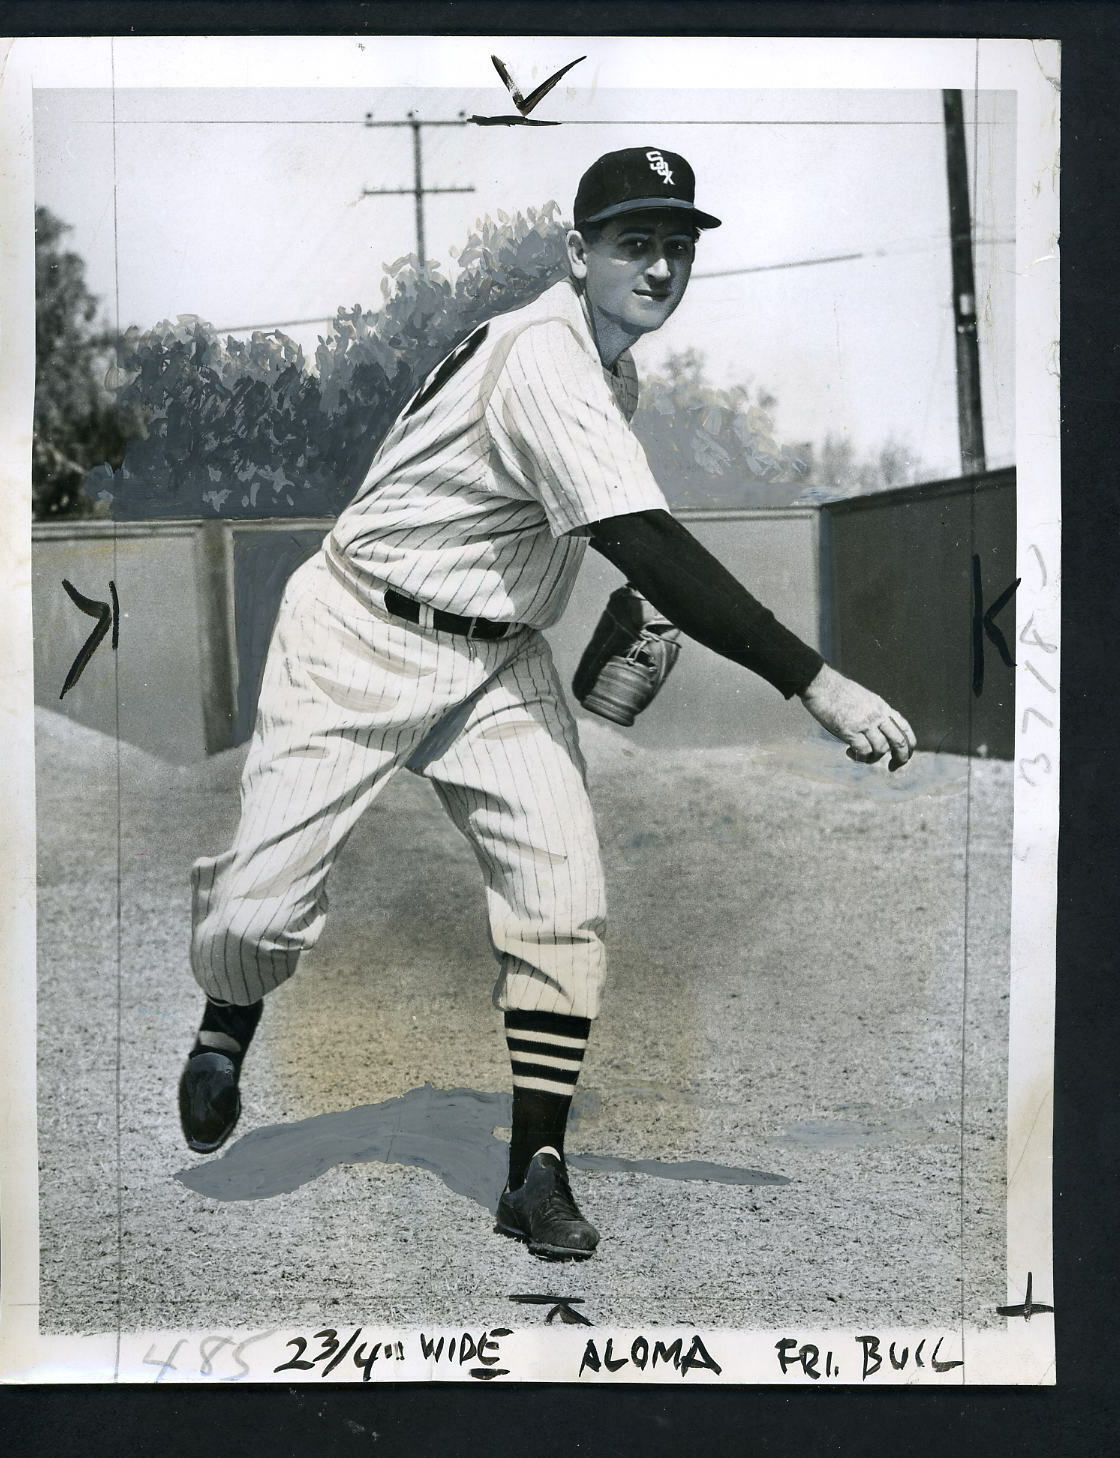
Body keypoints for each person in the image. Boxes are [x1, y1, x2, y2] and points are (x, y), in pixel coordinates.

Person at [179, 147, 916, 1261]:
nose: (661, 265)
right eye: (635, 242)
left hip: (494, 661)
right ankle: (228, 1019)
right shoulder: (547, 357)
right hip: (356, 630)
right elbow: (642, 535)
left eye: (678, 244)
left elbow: (572, 517)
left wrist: (627, 581)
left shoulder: (614, 372)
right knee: (253, 919)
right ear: (580, 255)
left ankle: (537, 1167)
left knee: (561, 892)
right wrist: (814, 679)